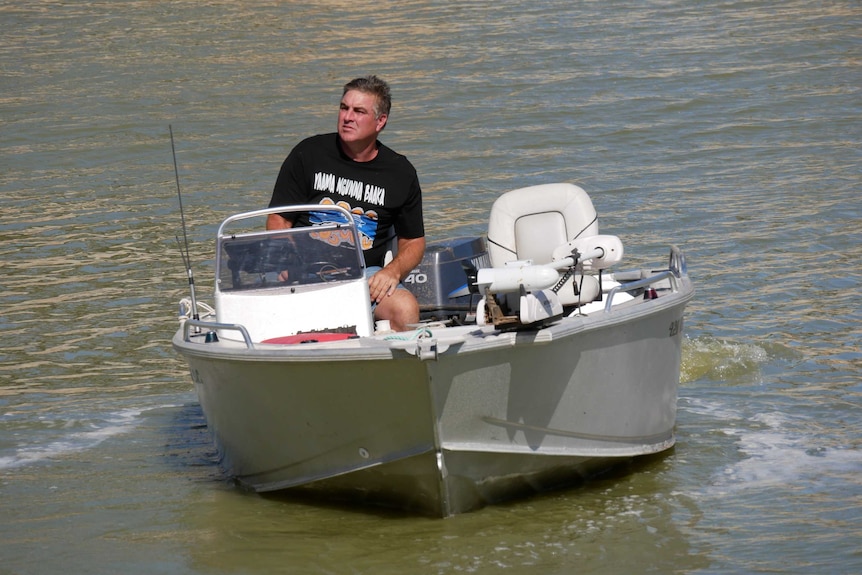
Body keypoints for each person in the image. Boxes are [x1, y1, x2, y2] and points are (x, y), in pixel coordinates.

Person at [266, 75, 425, 332]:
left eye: (359, 111)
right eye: (344, 108)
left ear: (380, 121)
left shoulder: (400, 173)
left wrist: (392, 271)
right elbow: (279, 220)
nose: (347, 117)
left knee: (405, 309)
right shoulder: (307, 154)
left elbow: (414, 242)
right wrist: (286, 260)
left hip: (365, 274)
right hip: (303, 269)